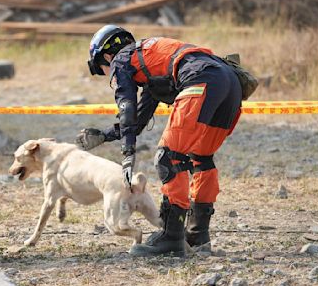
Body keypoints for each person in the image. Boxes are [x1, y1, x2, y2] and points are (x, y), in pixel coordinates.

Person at [75, 25, 242, 257]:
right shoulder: (147, 61)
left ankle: (171, 237)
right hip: (228, 82)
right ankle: (197, 236)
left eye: (101, 69)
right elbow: (136, 121)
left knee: (169, 157)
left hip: (199, 80)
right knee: (201, 159)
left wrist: (128, 152)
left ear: (106, 55)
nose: (107, 74)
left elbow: (127, 105)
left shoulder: (121, 59)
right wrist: (105, 135)